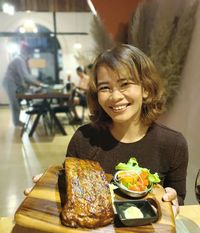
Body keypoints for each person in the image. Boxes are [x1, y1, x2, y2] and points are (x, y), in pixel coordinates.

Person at [26, 44, 188, 216]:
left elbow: (178, 199)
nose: (115, 96)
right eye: (104, 88)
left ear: (146, 89)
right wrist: (49, 190)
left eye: (125, 84)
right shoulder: (83, 139)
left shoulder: (173, 144)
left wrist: (174, 201)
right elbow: (70, 190)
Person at [3, 42, 43, 127]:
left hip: (14, 83)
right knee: (14, 103)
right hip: (9, 82)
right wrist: (36, 83)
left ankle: (17, 121)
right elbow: (25, 76)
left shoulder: (20, 60)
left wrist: (34, 83)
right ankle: (16, 122)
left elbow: (24, 76)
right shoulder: (19, 60)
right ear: (25, 51)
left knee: (18, 101)